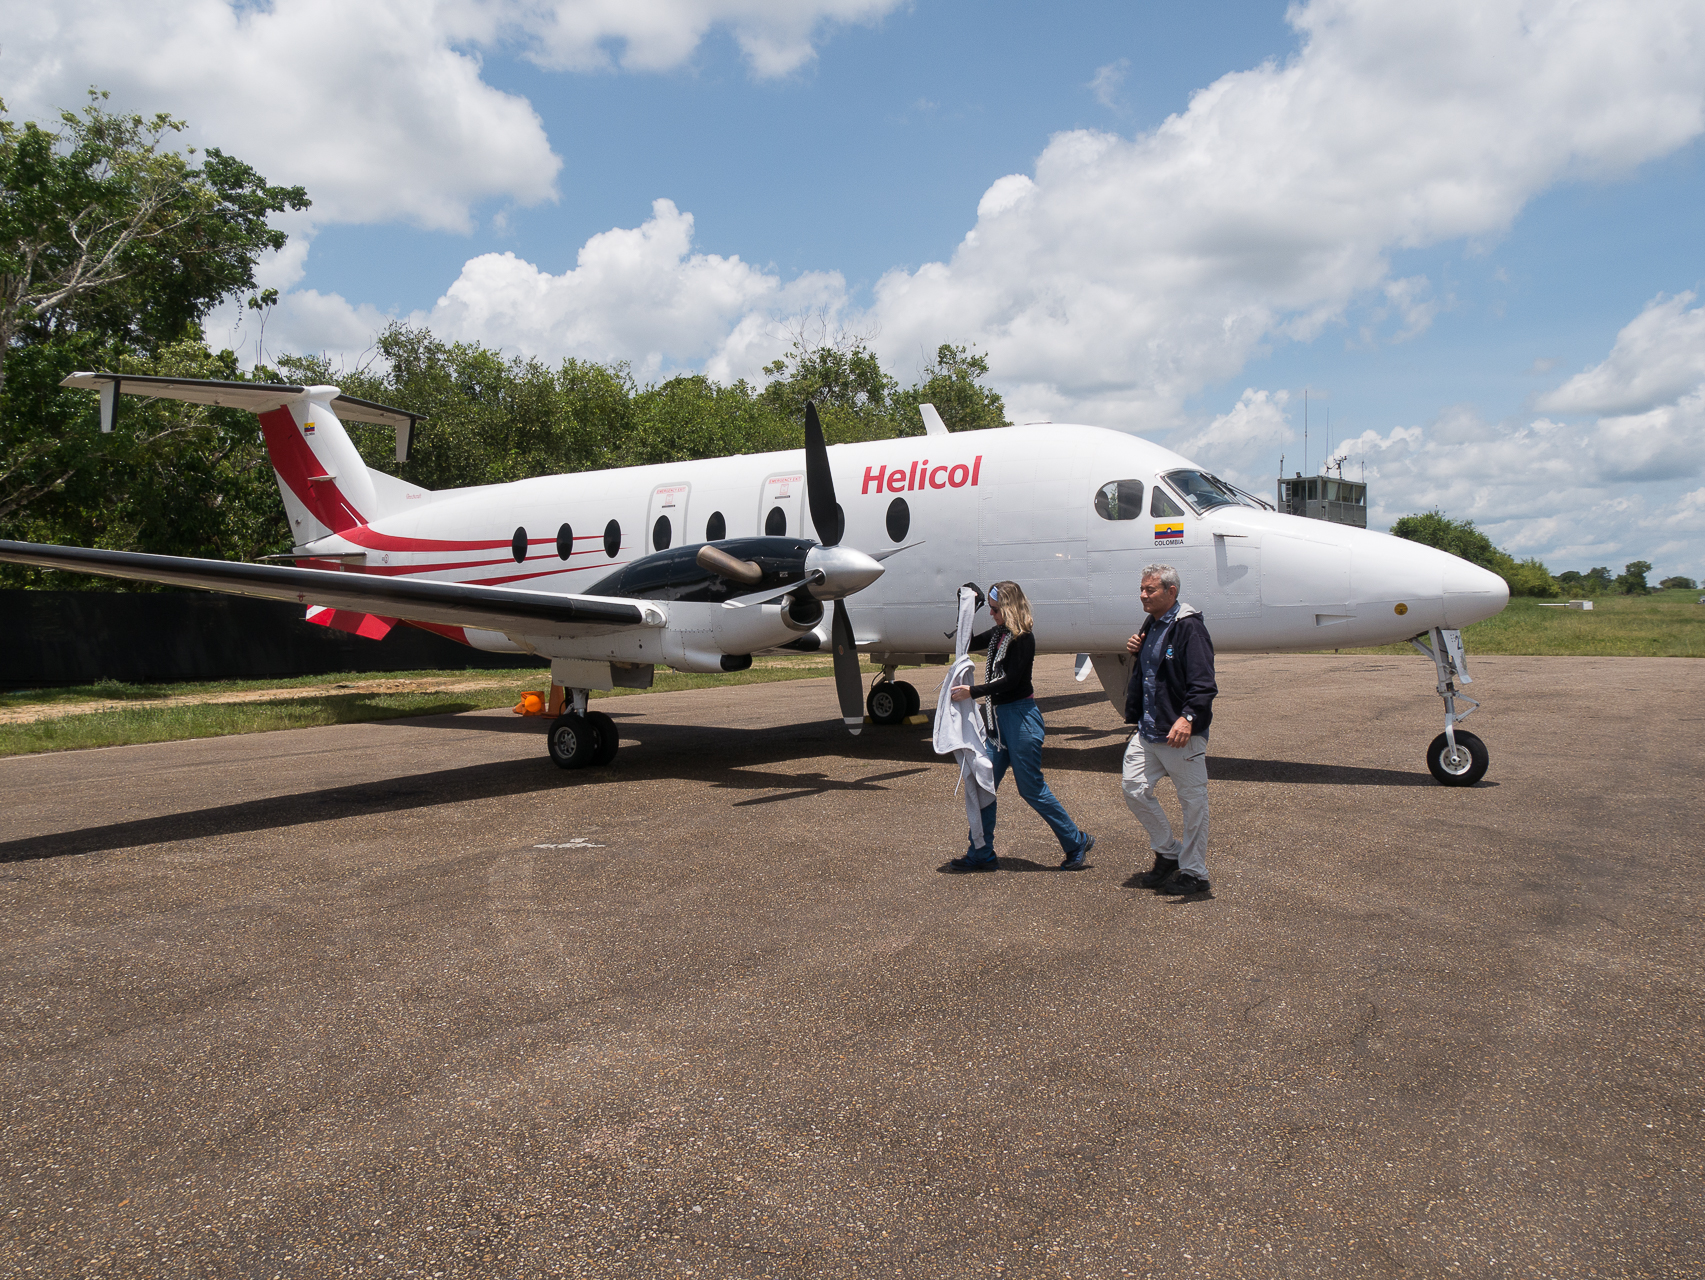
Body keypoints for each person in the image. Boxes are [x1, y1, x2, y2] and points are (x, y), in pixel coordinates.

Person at [948, 581, 1095, 872]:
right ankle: (981, 852)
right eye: (988, 609)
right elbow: (962, 642)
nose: (991, 615)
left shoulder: (1022, 638)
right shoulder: (998, 635)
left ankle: (1075, 841)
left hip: (1021, 719)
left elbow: (1012, 681)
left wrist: (972, 692)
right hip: (997, 720)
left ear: (1007, 608)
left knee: (1031, 789)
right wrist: (968, 607)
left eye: (993, 609)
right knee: (981, 785)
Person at [1122, 564, 1217, 899]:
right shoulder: (1153, 623)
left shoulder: (1189, 629)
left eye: (1150, 590)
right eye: (1142, 589)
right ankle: (1168, 851)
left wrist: (1188, 718)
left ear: (1171, 591)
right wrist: (1137, 649)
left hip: (1180, 735)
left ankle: (1194, 873)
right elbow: (1153, 673)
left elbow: (1204, 684)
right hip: (1148, 730)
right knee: (1133, 788)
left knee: (1193, 804)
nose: (1143, 595)